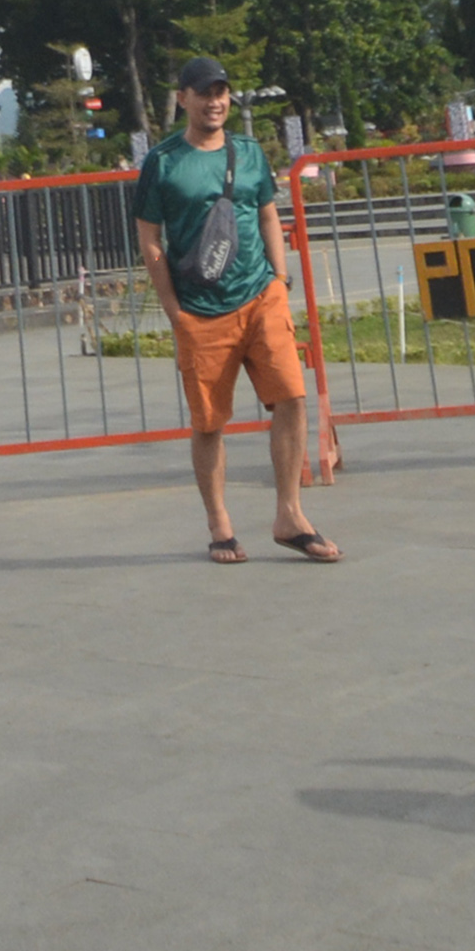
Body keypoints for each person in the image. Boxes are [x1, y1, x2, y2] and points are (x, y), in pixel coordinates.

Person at [132, 56, 338, 567]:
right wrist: (173, 309)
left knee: (291, 397)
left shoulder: (247, 153)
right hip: (200, 311)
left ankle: (290, 515)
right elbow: (149, 238)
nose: (215, 101)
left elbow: (268, 212)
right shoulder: (163, 162)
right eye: (204, 93)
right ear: (183, 99)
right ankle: (219, 524)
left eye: (221, 91)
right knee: (208, 423)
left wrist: (279, 278)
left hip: (260, 297)